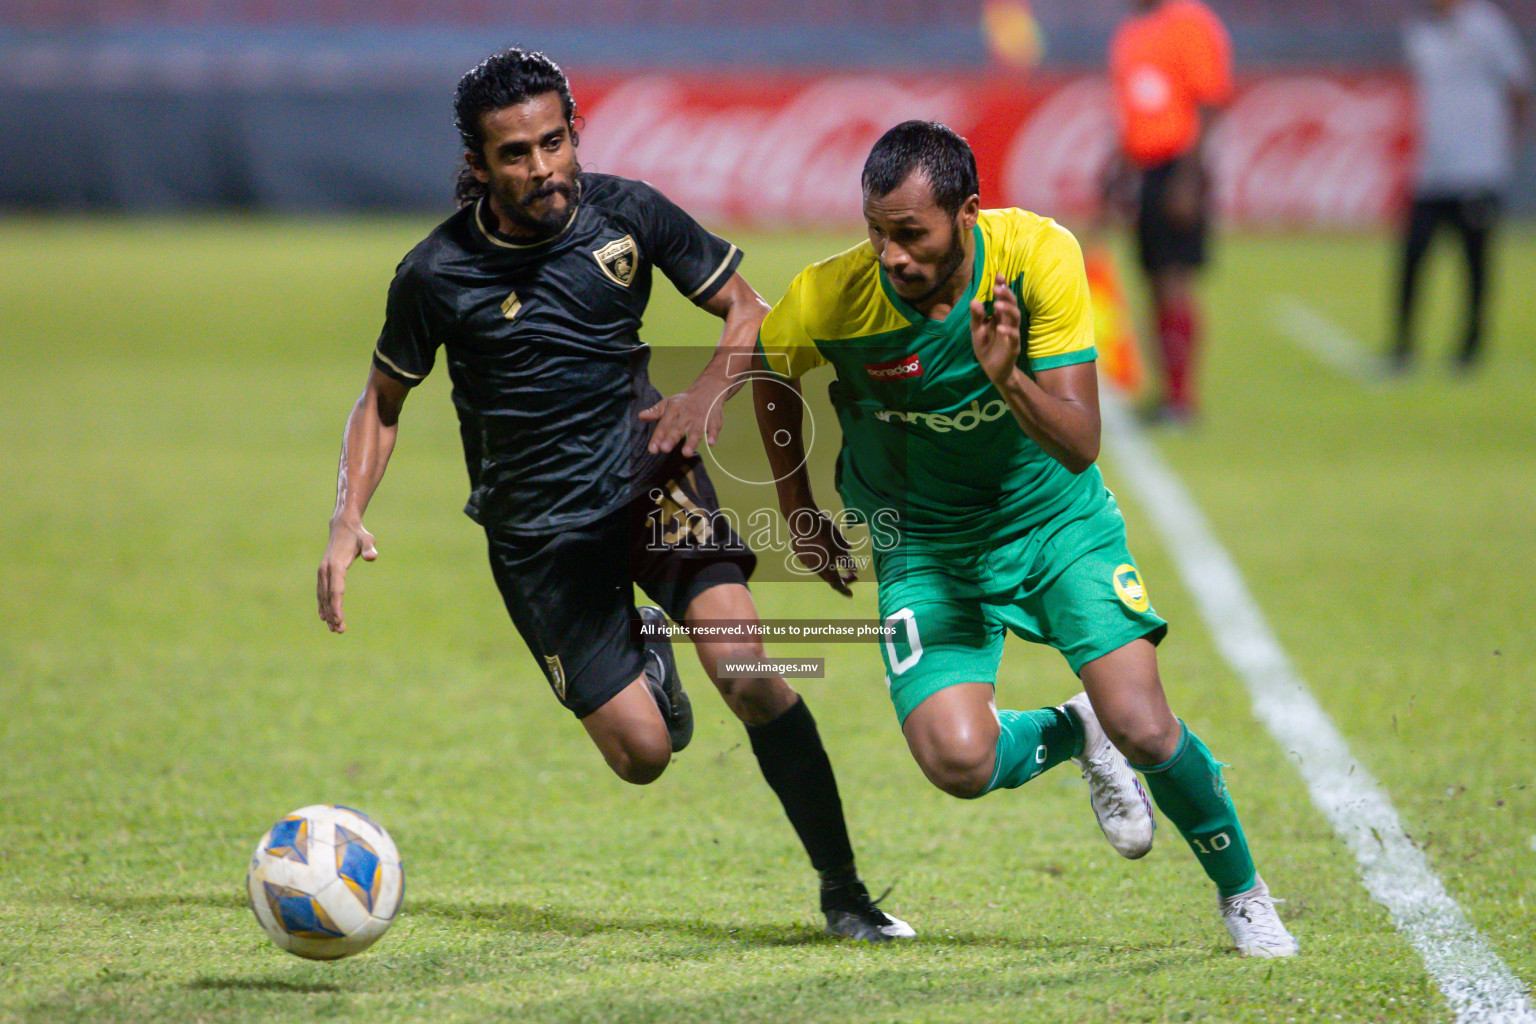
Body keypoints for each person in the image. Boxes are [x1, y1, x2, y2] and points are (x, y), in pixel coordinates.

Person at [315, 48, 912, 943]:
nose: (543, 167)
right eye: (515, 154)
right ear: (477, 164)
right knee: (643, 756)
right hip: (537, 537)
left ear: (573, 133)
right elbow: (384, 399)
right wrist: (346, 514)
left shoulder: (627, 214)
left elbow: (747, 308)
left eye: (554, 142)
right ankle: (648, 658)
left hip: (651, 479)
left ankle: (846, 893)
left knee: (749, 675)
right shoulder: (434, 275)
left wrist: (708, 391)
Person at [751, 120, 1297, 957]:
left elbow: (1080, 442)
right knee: (956, 762)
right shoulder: (831, 297)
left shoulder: (1038, 256)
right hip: (926, 543)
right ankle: (1078, 730)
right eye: (876, 231)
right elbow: (767, 371)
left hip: (1051, 521)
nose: (890, 254)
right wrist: (798, 511)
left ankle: (1243, 892)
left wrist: (1006, 377)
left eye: (910, 234)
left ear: (967, 213)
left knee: (1147, 728)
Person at [1105, 0, 1232, 423]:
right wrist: (1117, 171)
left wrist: (1189, 179)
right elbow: (1133, 109)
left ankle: (1182, 398)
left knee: (1176, 278)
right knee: (1155, 279)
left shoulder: (1190, 21)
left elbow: (1208, 102)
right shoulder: (1131, 31)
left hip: (1178, 164)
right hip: (1145, 168)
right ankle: (1169, 393)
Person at [1392, 0, 1533, 373]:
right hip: (1432, 170)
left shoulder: (1486, 25)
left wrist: (1505, 147)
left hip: (1477, 169)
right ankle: (1403, 347)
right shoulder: (1420, 31)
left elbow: (1519, 85)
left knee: (1475, 263)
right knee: (1412, 258)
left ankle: (1470, 349)